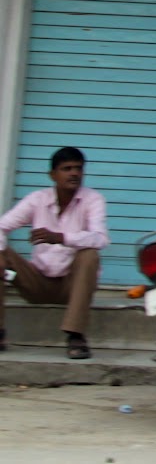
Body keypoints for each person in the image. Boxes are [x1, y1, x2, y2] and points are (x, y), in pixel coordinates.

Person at [0, 147, 107, 359]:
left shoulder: (93, 199)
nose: (74, 173)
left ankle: (76, 335)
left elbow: (100, 238)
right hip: (36, 282)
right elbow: (2, 226)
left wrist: (61, 237)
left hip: (71, 286)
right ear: (52, 175)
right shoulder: (37, 199)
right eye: (67, 169)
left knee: (90, 254)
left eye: (78, 168)